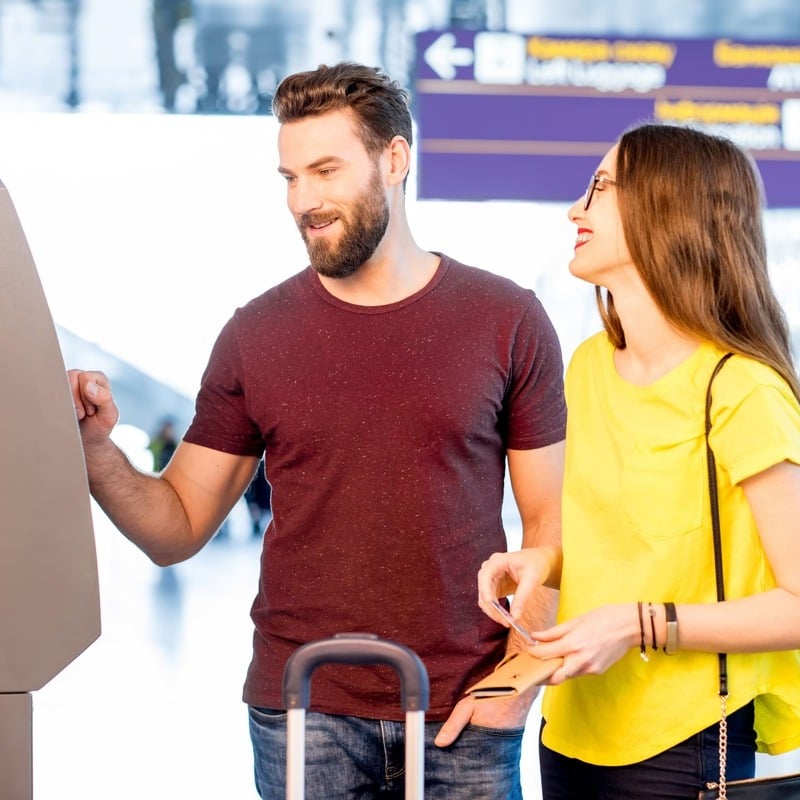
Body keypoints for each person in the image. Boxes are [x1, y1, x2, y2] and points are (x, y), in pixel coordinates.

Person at [69, 62, 567, 799]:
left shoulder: (507, 320)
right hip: (305, 708)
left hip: (464, 710)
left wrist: (517, 685)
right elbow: (174, 527)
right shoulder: (255, 335)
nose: (304, 199)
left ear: (394, 160)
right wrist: (94, 450)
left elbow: (549, 524)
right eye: (290, 177)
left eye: (326, 170)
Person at [478, 123, 800, 799]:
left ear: (665, 208)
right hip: (570, 730)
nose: (575, 209)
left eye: (598, 188)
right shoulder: (590, 366)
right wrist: (543, 561)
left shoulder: (740, 390)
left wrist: (637, 624)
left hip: (681, 742)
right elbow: (618, 537)